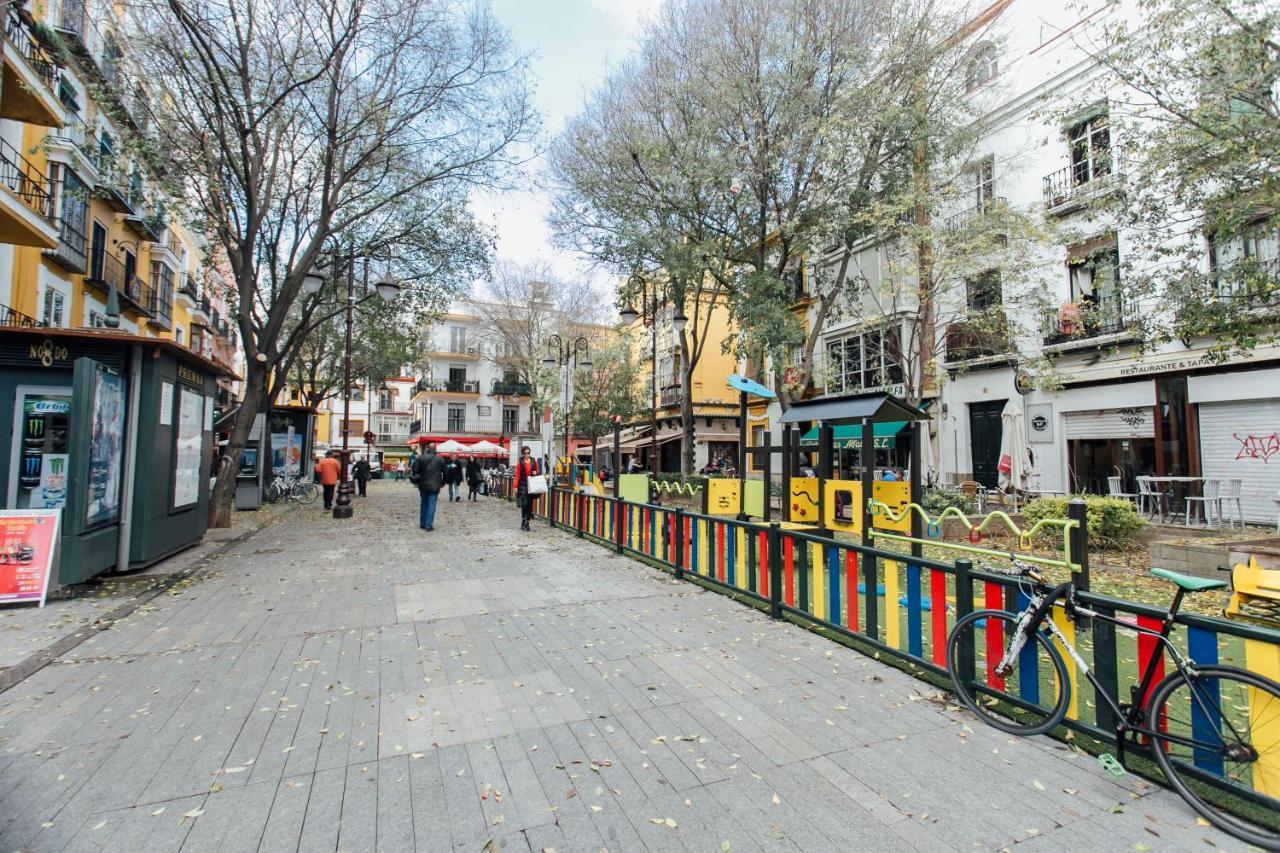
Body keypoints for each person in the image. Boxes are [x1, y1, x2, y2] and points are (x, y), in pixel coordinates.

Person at [411, 442, 445, 530]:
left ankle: (423, 523)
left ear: (428, 449)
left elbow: (415, 471)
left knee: (424, 503)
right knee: (432, 504)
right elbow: (446, 473)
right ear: (435, 450)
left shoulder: (420, 458)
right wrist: (443, 483)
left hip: (423, 485)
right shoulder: (440, 459)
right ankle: (429, 524)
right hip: (435, 485)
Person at [512, 445, 540, 531]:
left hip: (531, 486)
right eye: (525, 453)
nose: (527, 454)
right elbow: (517, 475)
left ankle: (527, 523)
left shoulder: (533, 461)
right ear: (523, 454)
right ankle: (523, 520)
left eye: (528, 453)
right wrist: (515, 486)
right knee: (524, 504)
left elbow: (538, 471)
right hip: (523, 485)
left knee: (530, 505)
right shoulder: (520, 463)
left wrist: (536, 472)